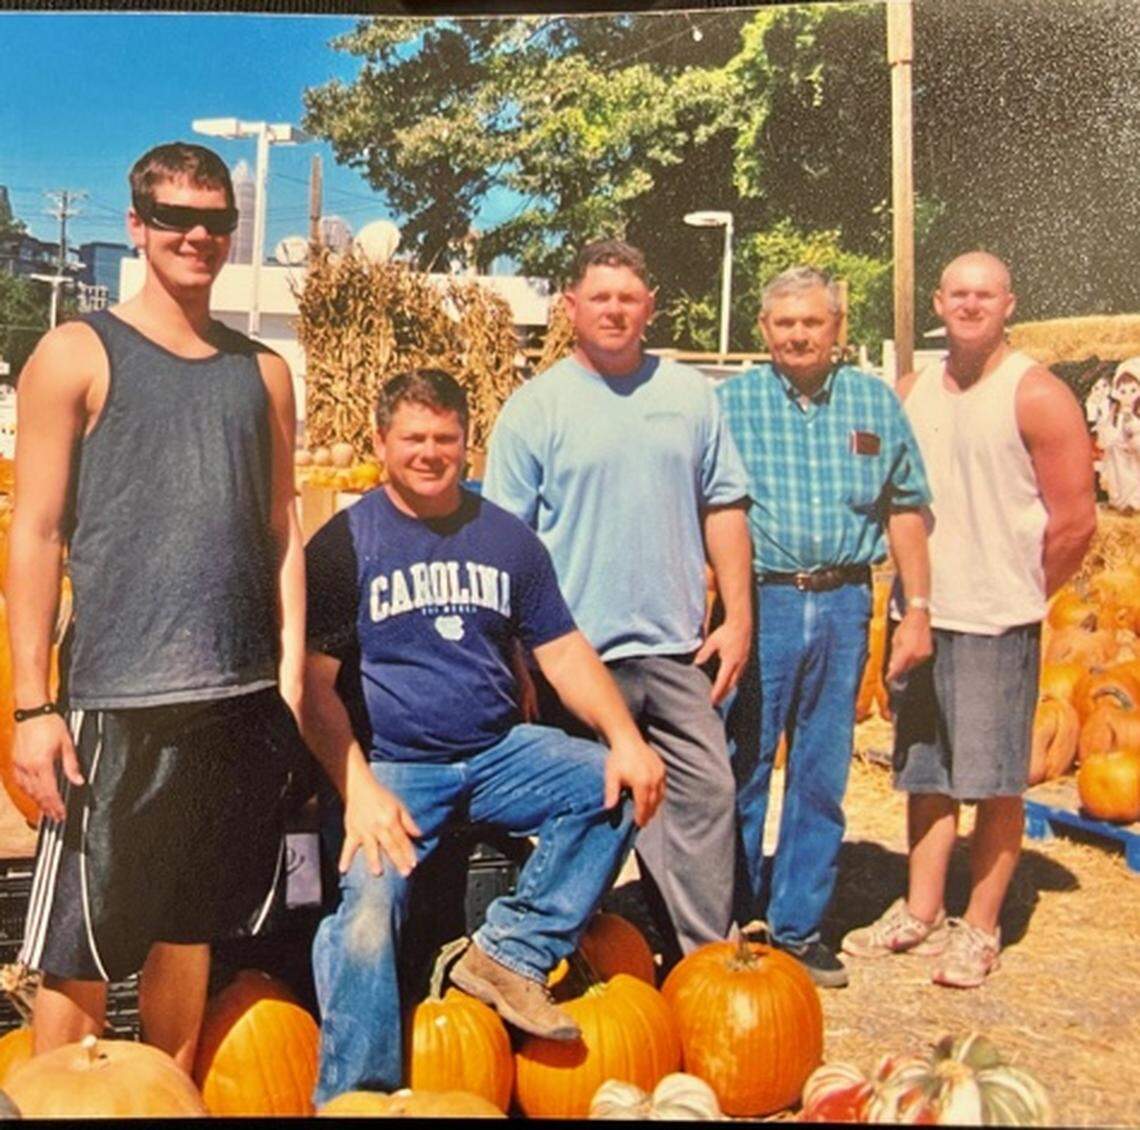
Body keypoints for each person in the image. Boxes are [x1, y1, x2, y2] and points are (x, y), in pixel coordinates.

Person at [7, 142, 305, 1069]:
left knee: (191, 933)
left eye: (215, 220)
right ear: (135, 226)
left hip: (234, 698)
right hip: (113, 703)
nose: (196, 236)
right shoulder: (76, 355)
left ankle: (168, 1098)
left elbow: (282, 526)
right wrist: (32, 705)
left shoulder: (262, 373)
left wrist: (287, 678)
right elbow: (37, 532)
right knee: (80, 953)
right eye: (174, 217)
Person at [301, 368, 664, 1103]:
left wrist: (626, 736)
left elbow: (562, 653)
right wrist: (358, 788)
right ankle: (358, 1096)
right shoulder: (346, 544)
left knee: (616, 780)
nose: (430, 453)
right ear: (380, 442)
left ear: (469, 443)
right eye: (413, 438)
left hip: (500, 755)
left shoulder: (506, 539)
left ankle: (509, 952)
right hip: (396, 769)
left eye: (446, 438)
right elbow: (311, 687)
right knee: (366, 923)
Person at [482, 239, 753, 967]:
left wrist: (738, 617)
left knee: (703, 795)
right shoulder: (535, 409)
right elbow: (505, 541)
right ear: (570, 308)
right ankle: (582, 959)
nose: (614, 310)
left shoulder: (691, 395)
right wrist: (513, 652)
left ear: (650, 308)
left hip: (674, 650)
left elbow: (724, 505)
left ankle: (701, 971)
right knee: (591, 806)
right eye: (598, 297)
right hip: (576, 655)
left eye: (628, 298)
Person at [842, 251, 1096, 987]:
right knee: (926, 770)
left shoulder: (1037, 395)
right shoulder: (913, 391)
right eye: (958, 293)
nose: (971, 305)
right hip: (921, 613)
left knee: (994, 780)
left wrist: (1022, 590)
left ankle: (979, 925)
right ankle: (919, 909)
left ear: (1009, 303)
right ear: (938, 302)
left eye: (985, 294)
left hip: (996, 619)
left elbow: (1075, 522)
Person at [716, 265, 934, 988]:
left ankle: (799, 926)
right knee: (741, 763)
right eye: (785, 323)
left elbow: (906, 506)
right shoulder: (731, 404)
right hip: (762, 603)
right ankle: (728, 918)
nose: (799, 335)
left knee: (819, 770)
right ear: (764, 330)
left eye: (813, 322)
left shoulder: (873, 402)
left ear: (838, 329)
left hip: (846, 605)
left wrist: (917, 609)